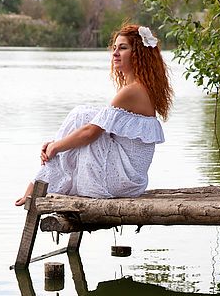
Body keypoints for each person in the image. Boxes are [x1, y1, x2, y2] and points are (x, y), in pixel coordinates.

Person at [15, 24, 173, 205]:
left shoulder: (131, 92)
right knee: (87, 116)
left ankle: (38, 183)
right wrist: (57, 144)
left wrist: (56, 147)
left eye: (123, 48)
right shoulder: (141, 89)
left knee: (81, 115)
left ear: (138, 54)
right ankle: (41, 180)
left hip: (120, 181)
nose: (115, 53)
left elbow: (91, 133)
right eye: (114, 48)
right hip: (132, 182)